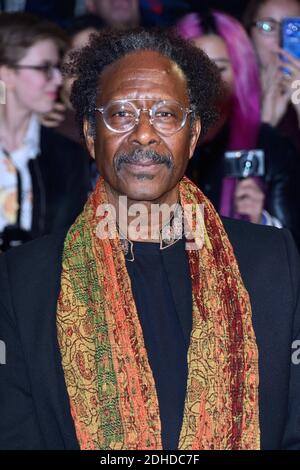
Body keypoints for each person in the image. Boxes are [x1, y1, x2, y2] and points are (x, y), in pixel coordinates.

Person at [0, 28, 300, 451]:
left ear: (193, 134)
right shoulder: (24, 279)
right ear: (89, 134)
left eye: (165, 114)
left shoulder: (272, 262)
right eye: (121, 114)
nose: (143, 134)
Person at [176, 10, 300, 247]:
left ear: (239, 72)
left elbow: (292, 251)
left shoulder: (270, 147)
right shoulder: (159, 145)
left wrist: (262, 222)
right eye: (195, 69)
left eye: (220, 68)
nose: (207, 82)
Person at [0, 13, 90, 251]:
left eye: (57, 68)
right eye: (44, 68)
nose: (58, 79)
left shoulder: (68, 155)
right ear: (7, 73)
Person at [244, 0, 300, 151]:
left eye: (293, 28)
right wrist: (267, 122)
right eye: (268, 27)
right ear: (249, 34)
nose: (281, 40)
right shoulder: (234, 96)